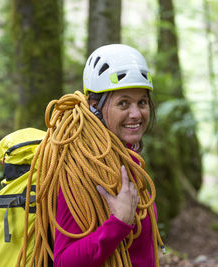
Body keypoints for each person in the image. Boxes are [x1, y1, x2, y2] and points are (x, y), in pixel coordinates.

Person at [53, 44, 159, 267]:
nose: (136, 114)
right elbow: (64, 262)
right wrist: (118, 223)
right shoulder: (81, 170)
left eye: (142, 102)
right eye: (123, 103)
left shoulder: (130, 160)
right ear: (95, 106)